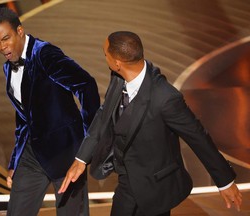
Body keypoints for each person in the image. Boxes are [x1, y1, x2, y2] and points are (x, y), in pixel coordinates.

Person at [58, 31, 243, 216]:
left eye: (105, 54)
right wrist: (81, 159)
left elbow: (198, 137)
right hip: (126, 183)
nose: (104, 57)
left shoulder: (165, 98)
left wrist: (225, 181)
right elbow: (104, 114)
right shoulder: (118, 78)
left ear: (117, 63)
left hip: (156, 188)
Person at [0, 7, 100, 216]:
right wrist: (15, 161)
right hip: (32, 153)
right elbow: (23, 117)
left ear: (20, 31)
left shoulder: (45, 54)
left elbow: (86, 85)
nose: (1, 47)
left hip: (66, 153)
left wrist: (87, 142)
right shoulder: (8, 67)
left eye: (5, 38)